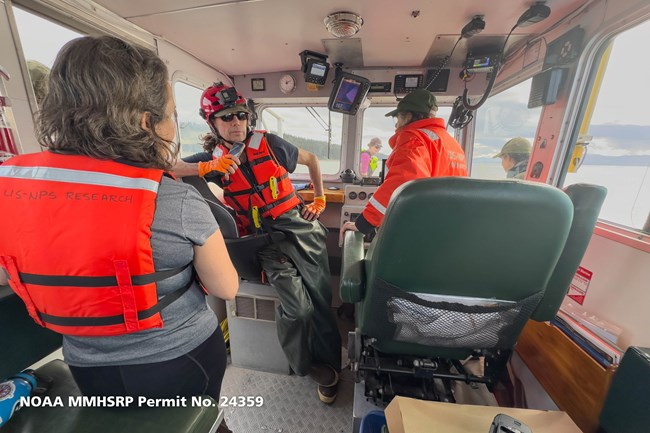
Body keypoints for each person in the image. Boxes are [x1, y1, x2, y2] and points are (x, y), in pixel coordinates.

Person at [0, 36, 238, 432]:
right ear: (147, 122)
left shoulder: (12, 193)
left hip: (86, 364)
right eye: (171, 114)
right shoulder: (174, 201)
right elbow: (227, 287)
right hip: (179, 359)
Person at [173, 83, 342, 403]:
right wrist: (206, 167)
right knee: (298, 309)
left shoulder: (270, 143)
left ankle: (331, 368)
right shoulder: (213, 158)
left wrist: (319, 198)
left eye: (240, 115)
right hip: (265, 241)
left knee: (321, 302)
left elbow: (312, 160)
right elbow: (167, 167)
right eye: (226, 118)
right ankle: (304, 365)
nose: (236, 122)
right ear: (213, 123)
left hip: (300, 229)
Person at [341, 89, 468, 237]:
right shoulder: (451, 143)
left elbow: (401, 184)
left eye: (398, 119)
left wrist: (363, 224)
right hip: (449, 230)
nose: (396, 126)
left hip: (421, 231)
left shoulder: (414, 138)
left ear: (408, 116)